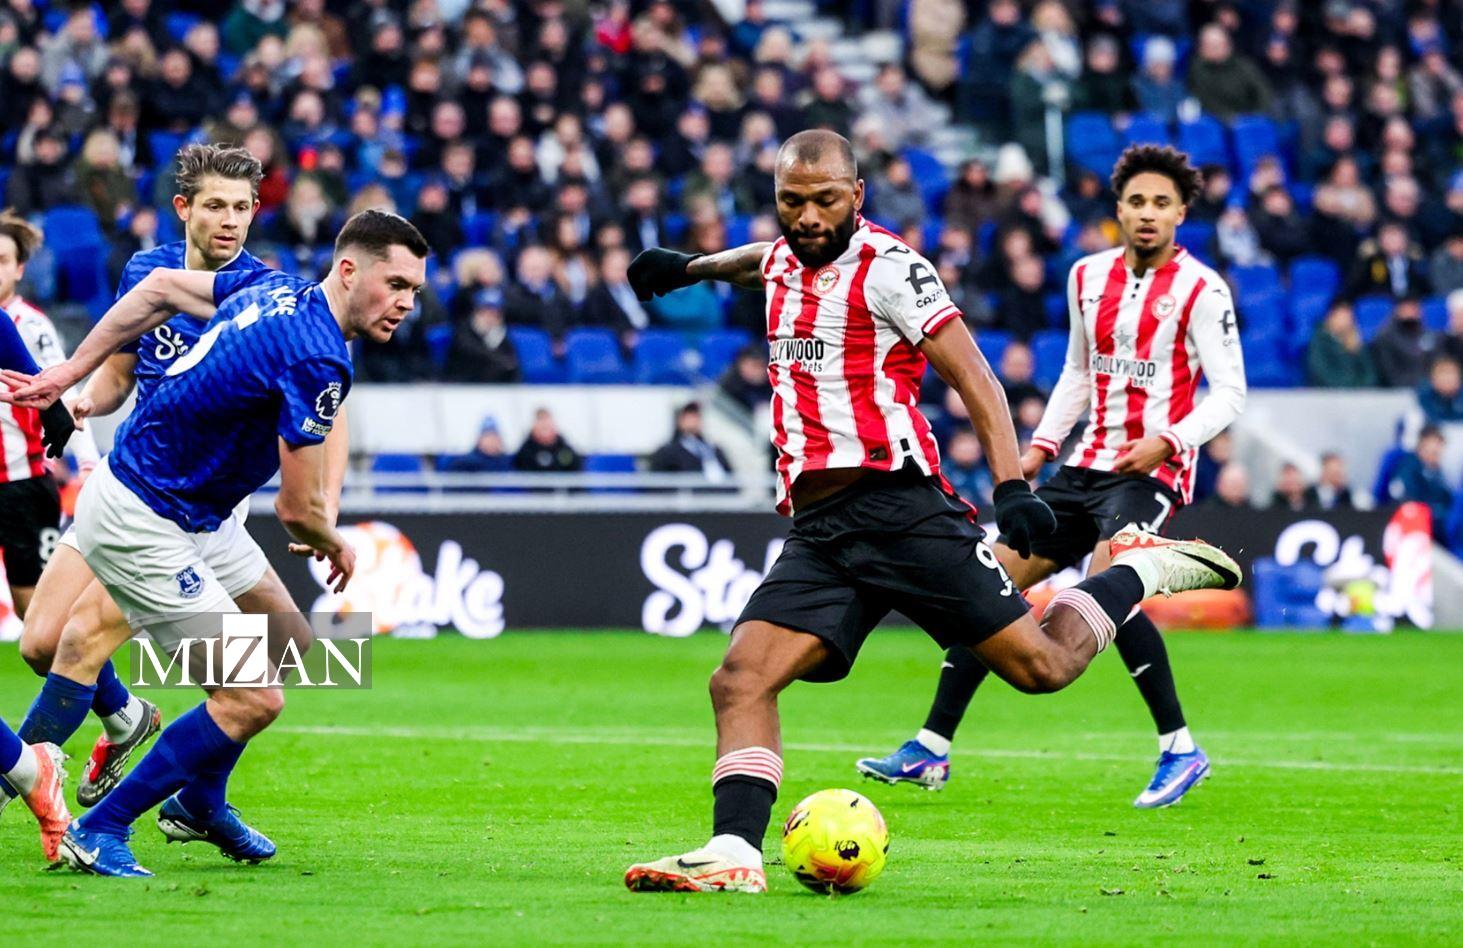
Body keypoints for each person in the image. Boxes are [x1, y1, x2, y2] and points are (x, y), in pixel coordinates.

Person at [620, 131, 1240, 894]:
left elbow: (973, 372)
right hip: (819, 529)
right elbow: (757, 260)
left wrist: (1011, 485)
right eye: (791, 201)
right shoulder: (784, 254)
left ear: (857, 196)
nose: (807, 216)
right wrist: (689, 269)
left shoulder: (891, 269)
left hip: (899, 508)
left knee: (1040, 668)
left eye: (824, 200)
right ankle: (733, 852)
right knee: (739, 678)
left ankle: (1137, 571)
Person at [0, 208, 427, 877]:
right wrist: (332, 540)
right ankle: (99, 826)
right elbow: (294, 510)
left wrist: (66, 373)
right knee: (251, 696)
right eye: (396, 283)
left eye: (415, 291)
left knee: (289, 641)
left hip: (196, 509)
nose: (405, 302)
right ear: (349, 270)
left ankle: (200, 800)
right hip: (148, 517)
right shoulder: (317, 352)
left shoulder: (274, 290)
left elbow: (158, 294)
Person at [854, 144, 1248, 809]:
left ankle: (1179, 748)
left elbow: (1229, 393)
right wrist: (1038, 446)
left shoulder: (1202, 290)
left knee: (1104, 589)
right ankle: (931, 748)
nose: (1146, 215)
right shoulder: (1086, 276)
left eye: (1160, 204)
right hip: (1080, 467)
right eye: (1135, 202)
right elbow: (1075, 372)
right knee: (987, 585)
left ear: (1181, 212)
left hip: (1146, 475)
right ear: (1117, 208)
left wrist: (1168, 441)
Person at [0, 210, 98, 629]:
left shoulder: (30, 326)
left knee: (38, 615)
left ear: (20, 268)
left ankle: (105, 694)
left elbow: (65, 394)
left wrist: (88, 460)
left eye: (2, 260)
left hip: (19, 483)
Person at [1388, 426, 1452, 538]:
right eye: (1433, 449)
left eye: (1438, 450)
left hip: (1435, 531)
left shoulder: (1437, 473)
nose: (1436, 453)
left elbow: (1446, 499)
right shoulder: (1409, 467)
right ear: (1422, 445)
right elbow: (1405, 500)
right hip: (1411, 529)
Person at [647, 402, 731, 481]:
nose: (694, 420)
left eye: (696, 416)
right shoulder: (667, 452)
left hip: (718, 494)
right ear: (680, 420)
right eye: (689, 416)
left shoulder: (714, 450)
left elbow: (731, 477)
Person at [1306, 302, 1377, 387]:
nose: (1347, 321)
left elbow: (1371, 376)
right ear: (1331, 317)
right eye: (1343, 317)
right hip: (1328, 396)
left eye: (1350, 317)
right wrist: (1352, 386)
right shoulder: (1318, 342)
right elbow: (1323, 374)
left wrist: (1358, 350)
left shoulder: (1355, 341)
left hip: (1358, 396)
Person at [513, 408, 582, 473]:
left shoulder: (564, 448)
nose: (544, 424)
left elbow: (576, 471)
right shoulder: (526, 451)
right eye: (541, 421)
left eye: (547, 422)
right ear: (534, 426)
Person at [445, 416, 512, 473]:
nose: (491, 441)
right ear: (479, 440)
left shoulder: (507, 461)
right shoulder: (469, 462)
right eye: (487, 436)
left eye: (494, 436)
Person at [1417, 355, 1463, 423]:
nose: (1447, 378)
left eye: (1450, 373)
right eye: (1442, 373)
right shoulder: (1422, 398)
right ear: (1432, 380)